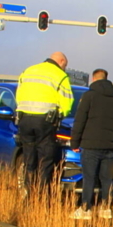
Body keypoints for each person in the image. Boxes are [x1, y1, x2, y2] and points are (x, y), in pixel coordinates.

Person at [69, 69, 113, 220]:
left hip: (90, 144)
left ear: (94, 79)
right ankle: (105, 208)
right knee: (106, 178)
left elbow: (80, 120)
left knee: (89, 177)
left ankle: (86, 209)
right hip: (109, 145)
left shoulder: (89, 96)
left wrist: (74, 142)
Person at [15, 51, 74, 191]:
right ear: (61, 61)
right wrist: (60, 115)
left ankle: (29, 193)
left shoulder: (28, 71)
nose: (64, 68)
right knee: (45, 160)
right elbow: (67, 102)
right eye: (65, 65)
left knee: (29, 159)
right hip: (45, 122)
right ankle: (41, 197)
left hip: (24, 120)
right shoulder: (60, 75)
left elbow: (19, 95)